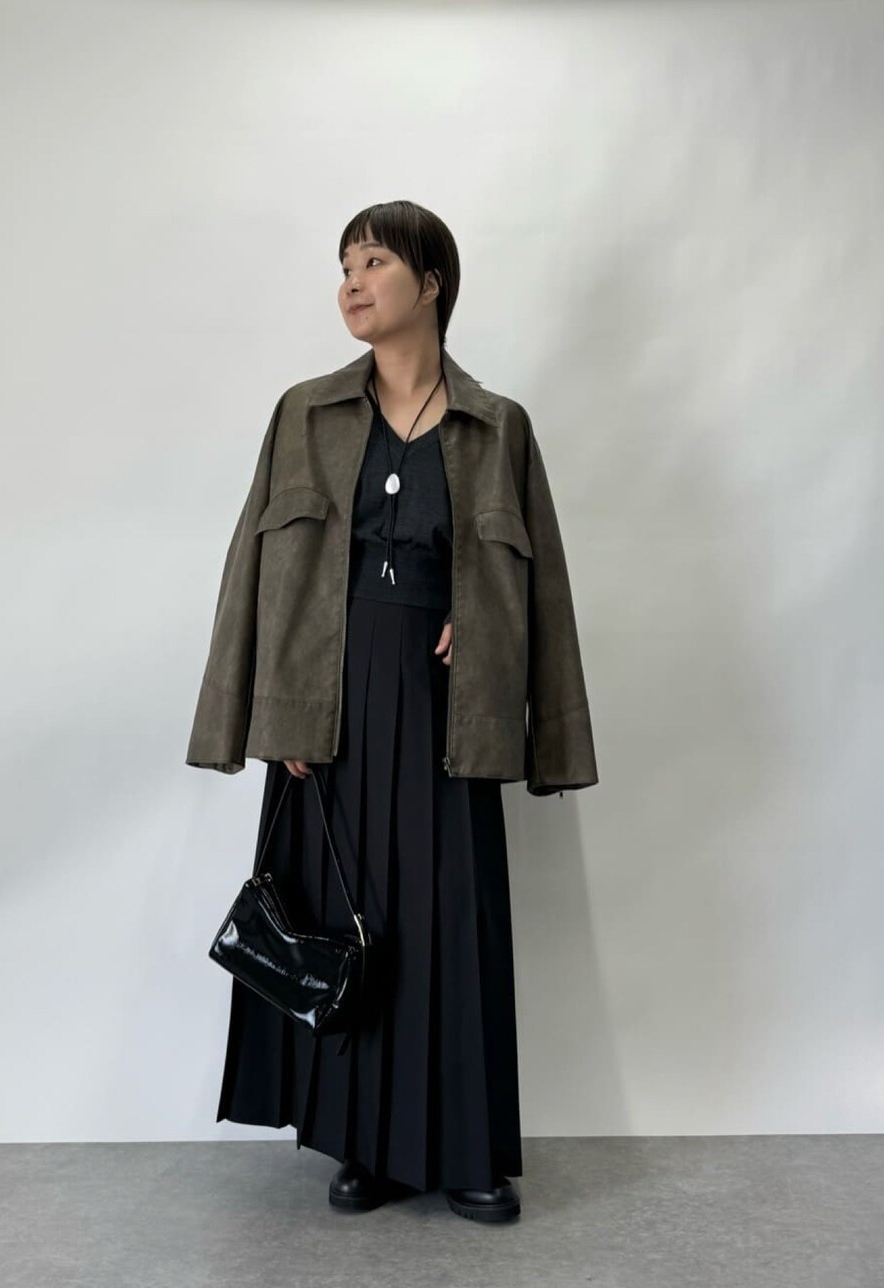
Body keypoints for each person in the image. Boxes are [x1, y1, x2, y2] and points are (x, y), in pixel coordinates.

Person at [190, 200, 598, 1224]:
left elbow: (539, 586)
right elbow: (252, 569)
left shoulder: (497, 426)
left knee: (449, 921)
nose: (352, 281)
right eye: (344, 264)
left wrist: (482, 624)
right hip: (326, 698)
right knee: (344, 916)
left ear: (432, 283)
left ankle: (465, 1152)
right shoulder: (304, 413)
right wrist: (264, 718)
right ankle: (361, 1144)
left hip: (446, 703)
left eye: (374, 261)